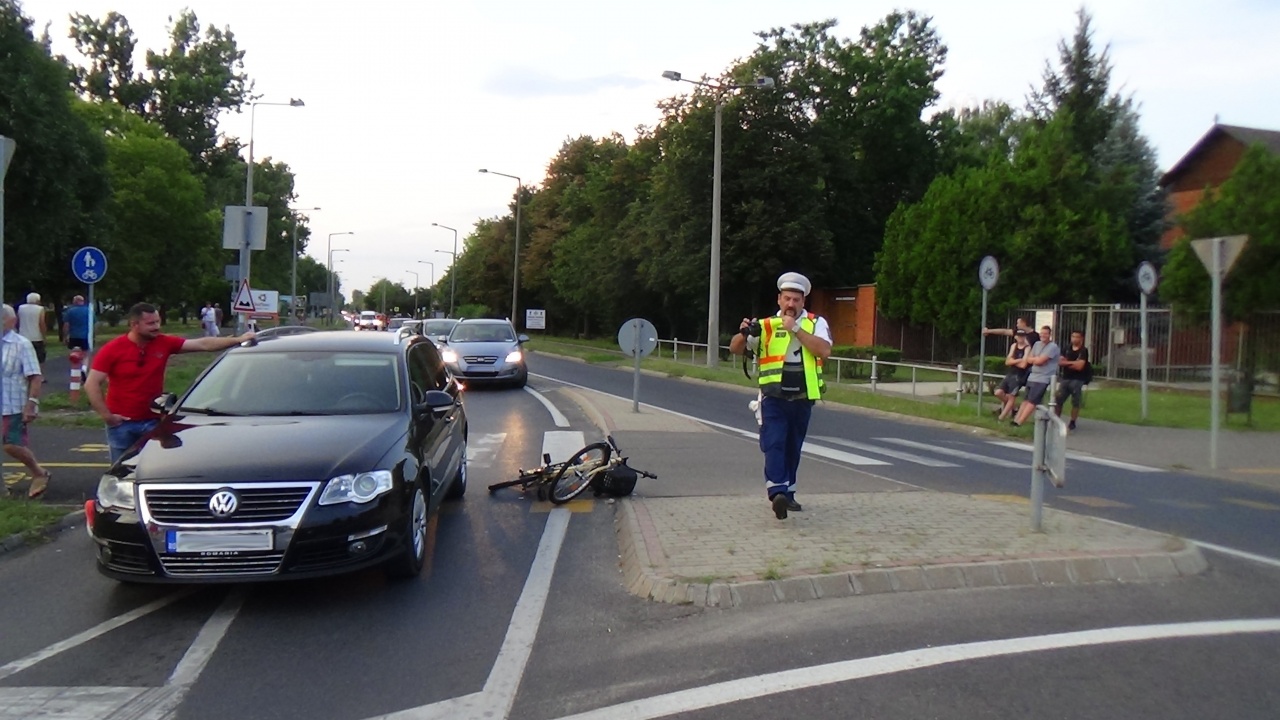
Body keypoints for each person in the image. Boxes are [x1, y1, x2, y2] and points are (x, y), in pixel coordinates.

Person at [85, 302, 255, 463]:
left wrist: (238, 340)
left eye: (157, 321)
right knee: (122, 470)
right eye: (150, 323)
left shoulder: (164, 342)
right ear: (134, 324)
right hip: (122, 423)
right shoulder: (113, 349)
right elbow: (92, 384)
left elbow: (203, 344)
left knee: (155, 467)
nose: (156, 327)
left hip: (154, 421)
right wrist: (107, 416)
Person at [729, 272, 832, 520]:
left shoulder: (815, 323)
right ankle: (777, 493)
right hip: (773, 396)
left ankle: (789, 494)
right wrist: (745, 332)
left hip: (802, 396)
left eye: (796, 299)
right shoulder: (766, 325)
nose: (791, 304)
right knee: (774, 442)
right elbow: (735, 348)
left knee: (792, 447)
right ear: (779, 299)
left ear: (803, 301)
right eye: (787, 298)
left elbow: (824, 350)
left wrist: (795, 329)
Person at [2, 304, 50, 498]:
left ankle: (39, 472)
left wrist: (31, 403)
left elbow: (35, 376)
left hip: (12, 404)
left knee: (11, 444)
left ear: (11, 321)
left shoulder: (21, 344)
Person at [1012, 325, 1061, 428]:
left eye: (1045, 333)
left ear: (1050, 335)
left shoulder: (1053, 347)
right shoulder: (1037, 344)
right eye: (1041, 333)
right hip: (1032, 376)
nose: (1043, 335)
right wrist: (1035, 359)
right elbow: (1029, 359)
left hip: (1043, 378)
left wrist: (1035, 359)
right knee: (1026, 399)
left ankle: (1020, 422)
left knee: (1032, 401)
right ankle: (1016, 419)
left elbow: (1040, 361)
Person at [993, 330, 1033, 422]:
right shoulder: (1014, 346)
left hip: (1019, 375)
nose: (1020, 338)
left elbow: (1024, 364)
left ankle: (1001, 418)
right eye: (1019, 336)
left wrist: (1013, 361)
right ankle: (1013, 407)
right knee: (998, 392)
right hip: (1010, 373)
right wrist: (1018, 360)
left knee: (1011, 396)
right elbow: (1007, 361)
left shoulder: (1027, 348)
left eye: (1022, 336)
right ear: (1015, 337)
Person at [1055, 329, 1091, 431]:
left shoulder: (1083, 351)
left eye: (1077, 337)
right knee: (1059, 399)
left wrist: (1068, 363)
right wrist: (1073, 363)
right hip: (1066, 377)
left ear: (1081, 338)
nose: (1074, 339)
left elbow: (1080, 366)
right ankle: (1056, 420)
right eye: (1073, 336)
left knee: (1076, 401)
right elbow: (1060, 362)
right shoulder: (1066, 348)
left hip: (1078, 379)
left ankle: (1073, 421)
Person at [16, 292, 47, 365]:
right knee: (39, 358)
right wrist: (44, 337)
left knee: (24, 358)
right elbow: (41, 323)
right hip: (36, 337)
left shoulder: (21, 308)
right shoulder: (40, 309)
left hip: (23, 336)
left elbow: (17, 321)